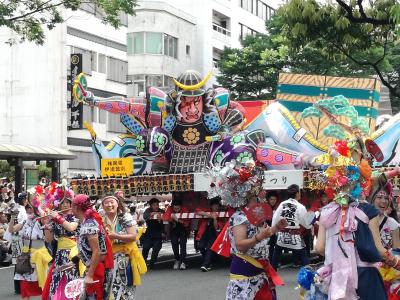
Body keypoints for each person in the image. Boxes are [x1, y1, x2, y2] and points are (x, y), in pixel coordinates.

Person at [101, 193, 147, 300]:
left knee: (125, 291)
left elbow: (133, 236)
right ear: (103, 206)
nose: (109, 205)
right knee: (107, 292)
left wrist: (115, 235)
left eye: (112, 202)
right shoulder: (100, 220)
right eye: (106, 203)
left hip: (123, 259)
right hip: (106, 259)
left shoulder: (125, 217)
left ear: (117, 204)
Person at [72, 194, 114, 300]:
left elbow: (97, 251)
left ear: (76, 208)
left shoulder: (89, 224)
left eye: (72, 206)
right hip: (94, 267)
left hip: (97, 269)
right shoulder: (86, 222)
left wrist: (90, 275)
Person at [41, 188, 79, 300]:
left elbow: (71, 228)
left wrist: (57, 217)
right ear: (58, 205)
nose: (66, 205)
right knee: (58, 282)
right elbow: (48, 239)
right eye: (63, 203)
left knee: (74, 282)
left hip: (75, 254)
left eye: (68, 202)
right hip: (60, 255)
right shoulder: (55, 218)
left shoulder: (76, 217)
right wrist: (47, 223)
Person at [8, 202, 51, 300]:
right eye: (27, 208)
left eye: (31, 208)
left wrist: (46, 223)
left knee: (43, 284)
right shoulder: (25, 222)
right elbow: (11, 230)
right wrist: (12, 217)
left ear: (36, 209)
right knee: (25, 287)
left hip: (39, 256)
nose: (28, 210)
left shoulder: (41, 221)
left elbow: (48, 239)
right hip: (26, 257)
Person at [271, 184, 312, 270]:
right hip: (295, 236)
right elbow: (306, 224)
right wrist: (312, 220)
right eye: (299, 192)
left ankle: (271, 276)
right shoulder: (300, 207)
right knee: (304, 255)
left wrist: (274, 231)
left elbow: (275, 218)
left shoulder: (282, 204)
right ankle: (309, 277)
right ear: (297, 193)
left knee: (277, 252)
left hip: (282, 235)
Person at [195, 197, 226, 272]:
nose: (216, 207)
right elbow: (197, 211)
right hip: (204, 233)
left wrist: (215, 219)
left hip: (213, 234)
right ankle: (209, 261)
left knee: (209, 248)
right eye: (214, 206)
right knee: (201, 247)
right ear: (211, 206)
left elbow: (217, 228)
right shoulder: (208, 211)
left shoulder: (221, 215)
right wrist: (210, 215)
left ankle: (205, 265)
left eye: (217, 206)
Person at [164, 198, 191, 270]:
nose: (176, 209)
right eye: (175, 208)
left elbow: (186, 223)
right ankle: (177, 259)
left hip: (183, 228)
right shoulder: (170, 208)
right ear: (172, 207)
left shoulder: (185, 209)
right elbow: (165, 217)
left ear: (181, 207)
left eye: (178, 208)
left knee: (183, 244)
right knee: (174, 242)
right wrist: (171, 219)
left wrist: (177, 219)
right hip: (174, 229)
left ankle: (183, 262)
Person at [141, 198, 165, 269]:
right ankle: (143, 262)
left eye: (157, 204)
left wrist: (165, 232)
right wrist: (155, 214)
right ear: (150, 206)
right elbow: (145, 216)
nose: (156, 206)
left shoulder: (162, 211)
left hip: (159, 233)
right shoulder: (147, 210)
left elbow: (166, 217)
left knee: (156, 249)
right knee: (145, 248)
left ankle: (152, 264)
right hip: (149, 233)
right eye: (154, 205)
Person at [266, 192, 280, 262]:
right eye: (271, 199)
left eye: (274, 199)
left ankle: (272, 261)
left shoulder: (277, 208)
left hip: (274, 230)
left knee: (272, 246)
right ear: (268, 200)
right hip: (266, 230)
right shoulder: (265, 208)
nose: (273, 201)